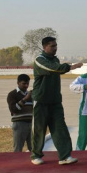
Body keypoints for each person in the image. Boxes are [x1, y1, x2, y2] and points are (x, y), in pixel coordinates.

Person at [31, 37, 83, 165]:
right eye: (52, 46)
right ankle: (36, 155)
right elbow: (53, 68)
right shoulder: (39, 60)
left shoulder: (55, 60)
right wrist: (70, 67)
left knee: (60, 128)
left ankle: (64, 156)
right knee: (40, 129)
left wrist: (64, 67)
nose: (55, 48)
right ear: (44, 47)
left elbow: (57, 67)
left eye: (56, 45)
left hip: (55, 101)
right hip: (41, 100)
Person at [6, 74, 33, 152]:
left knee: (34, 148)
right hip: (19, 124)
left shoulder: (31, 95)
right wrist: (25, 99)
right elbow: (13, 109)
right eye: (24, 83)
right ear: (18, 83)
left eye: (27, 83)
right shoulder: (12, 94)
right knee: (18, 149)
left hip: (31, 124)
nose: (26, 86)